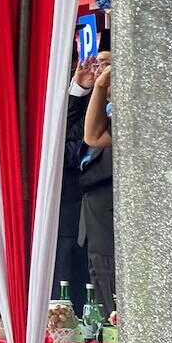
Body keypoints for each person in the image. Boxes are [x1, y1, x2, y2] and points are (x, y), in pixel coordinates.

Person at [52, 56, 98, 312]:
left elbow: (69, 150)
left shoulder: (104, 110)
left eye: (104, 65)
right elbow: (58, 140)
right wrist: (79, 91)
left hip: (91, 212)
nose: (97, 72)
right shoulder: (82, 101)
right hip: (68, 213)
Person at [81, 51, 116, 314]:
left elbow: (94, 136)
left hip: (115, 222)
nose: (102, 70)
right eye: (99, 64)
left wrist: (103, 86)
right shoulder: (101, 107)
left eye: (108, 64)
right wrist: (96, 88)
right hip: (93, 226)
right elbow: (88, 135)